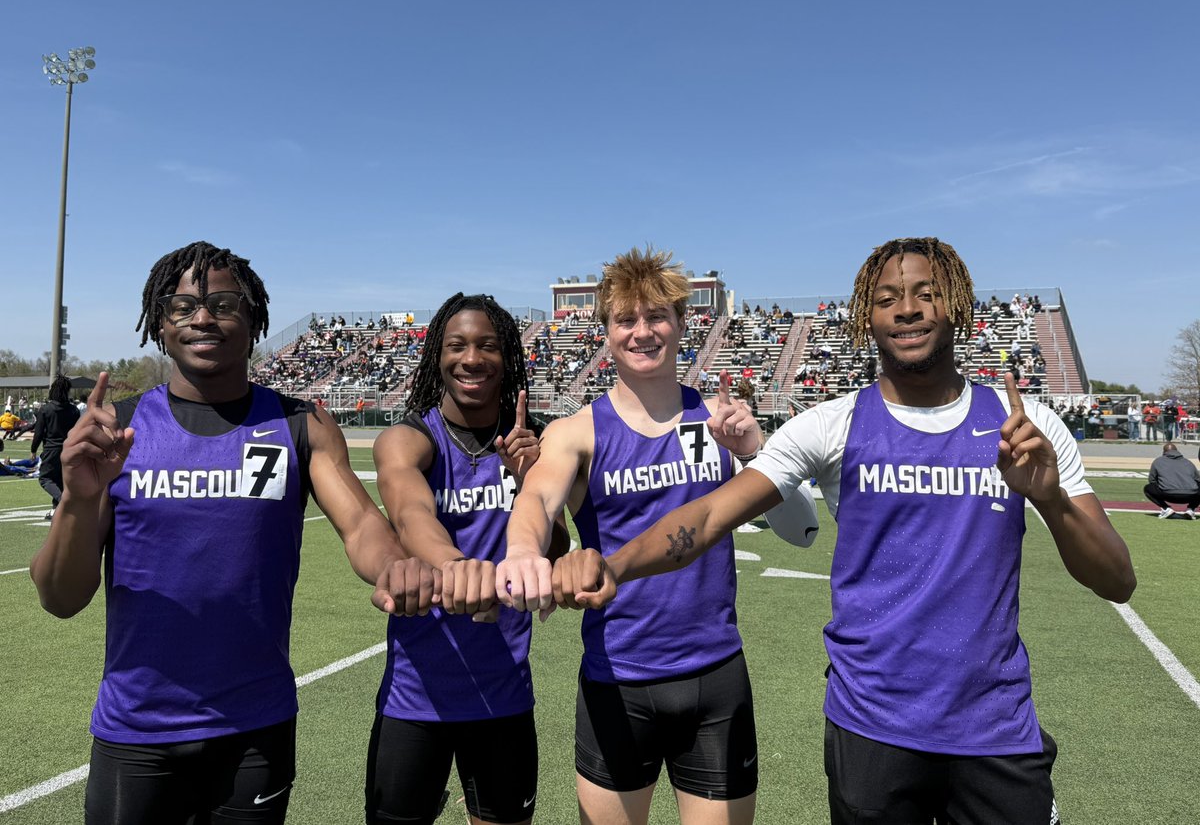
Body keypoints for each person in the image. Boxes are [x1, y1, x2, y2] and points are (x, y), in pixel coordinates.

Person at [560, 238, 1136, 825]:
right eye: (888, 299)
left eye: (925, 294)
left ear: (957, 305)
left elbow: (1117, 581)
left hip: (997, 730)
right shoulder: (831, 424)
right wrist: (613, 566)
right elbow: (708, 517)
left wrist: (1050, 498)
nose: (906, 309)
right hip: (870, 731)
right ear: (868, 317)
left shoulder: (1026, 425)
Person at [29, 241, 441, 825]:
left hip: (256, 729)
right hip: (137, 729)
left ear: (253, 321)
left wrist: (395, 565)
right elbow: (60, 597)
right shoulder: (118, 428)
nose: (202, 318)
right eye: (181, 307)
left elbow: (361, 524)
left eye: (223, 303)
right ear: (159, 326)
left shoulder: (301, 422)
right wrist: (79, 496)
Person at [499, 246, 767, 825]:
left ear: (682, 322)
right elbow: (538, 499)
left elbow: (800, 526)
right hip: (618, 680)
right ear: (606, 331)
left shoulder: (719, 420)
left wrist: (754, 452)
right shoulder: (578, 431)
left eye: (656, 316)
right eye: (626, 319)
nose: (642, 332)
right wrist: (522, 549)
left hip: (715, 675)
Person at [367, 293, 567, 825]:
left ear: (509, 359)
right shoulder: (409, 438)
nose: (471, 358)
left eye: (487, 346)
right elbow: (410, 514)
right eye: (456, 346)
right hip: (415, 698)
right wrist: (456, 565)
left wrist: (531, 482)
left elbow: (557, 551)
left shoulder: (534, 442)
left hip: (503, 695)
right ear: (438, 356)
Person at [29, 373, 81, 519]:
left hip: (52, 449)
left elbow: (38, 433)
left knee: (45, 478)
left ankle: (63, 501)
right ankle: (56, 511)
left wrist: (33, 449)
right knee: (60, 479)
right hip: (70, 449)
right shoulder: (73, 410)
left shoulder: (46, 410)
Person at [1143, 442, 1200, 520]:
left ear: (1164, 452)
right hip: (1190, 495)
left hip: (1167, 494)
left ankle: (1166, 509)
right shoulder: (1188, 462)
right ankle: (1191, 510)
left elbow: (1152, 480)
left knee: (1148, 488)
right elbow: (1198, 480)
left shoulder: (1158, 461)